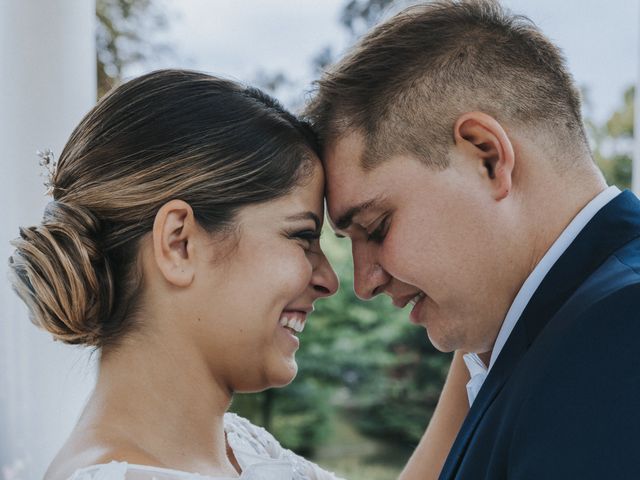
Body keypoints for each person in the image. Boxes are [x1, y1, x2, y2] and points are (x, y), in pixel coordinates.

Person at [9, 69, 468, 480]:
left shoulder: (240, 448)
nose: (329, 279)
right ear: (179, 243)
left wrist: (475, 317)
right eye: (302, 237)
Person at [305, 1, 640, 479]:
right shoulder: (544, 328)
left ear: (487, 157)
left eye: (377, 228)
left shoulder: (621, 330)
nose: (364, 282)